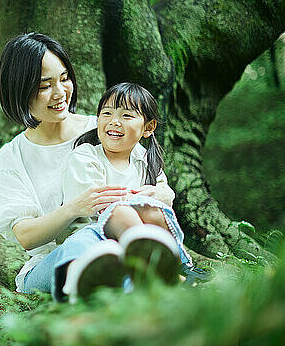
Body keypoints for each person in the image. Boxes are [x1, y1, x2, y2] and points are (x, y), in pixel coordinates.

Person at [0, 33, 178, 302]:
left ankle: (139, 285)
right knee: (86, 242)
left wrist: (155, 197)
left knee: (113, 250)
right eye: (44, 86)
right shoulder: (11, 157)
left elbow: (158, 185)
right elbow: (26, 236)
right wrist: (75, 208)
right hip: (56, 261)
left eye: (64, 78)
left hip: (123, 244)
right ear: (19, 89)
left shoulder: (103, 127)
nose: (60, 92)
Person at [59, 82, 194, 301]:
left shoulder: (146, 160)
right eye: (107, 113)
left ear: (148, 128)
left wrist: (163, 195)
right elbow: (98, 203)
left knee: (155, 213)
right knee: (122, 211)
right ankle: (147, 276)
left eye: (126, 116)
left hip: (131, 231)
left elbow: (163, 195)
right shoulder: (85, 156)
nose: (114, 121)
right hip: (92, 236)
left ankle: (167, 271)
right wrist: (143, 197)